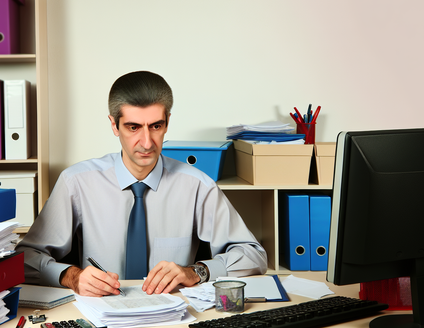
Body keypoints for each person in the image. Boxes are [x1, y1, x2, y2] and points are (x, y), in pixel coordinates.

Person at [15, 71, 267, 297]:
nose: (146, 142)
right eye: (133, 127)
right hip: (102, 313)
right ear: (114, 125)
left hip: (173, 315)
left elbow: (253, 254)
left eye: (155, 126)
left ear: (167, 121)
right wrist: (71, 276)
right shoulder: (76, 182)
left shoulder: (197, 185)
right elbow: (23, 259)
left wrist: (196, 271)